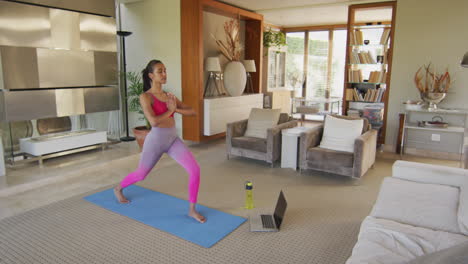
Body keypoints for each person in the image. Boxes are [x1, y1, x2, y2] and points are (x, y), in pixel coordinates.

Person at [114, 59, 206, 223]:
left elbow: (192, 112)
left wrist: (175, 108)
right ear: (151, 75)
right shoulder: (145, 96)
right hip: (156, 140)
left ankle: (192, 210)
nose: (164, 74)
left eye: (165, 70)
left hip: (172, 139)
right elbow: (154, 121)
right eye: (159, 71)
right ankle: (118, 188)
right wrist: (170, 110)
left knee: (195, 170)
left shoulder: (169, 96)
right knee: (141, 174)